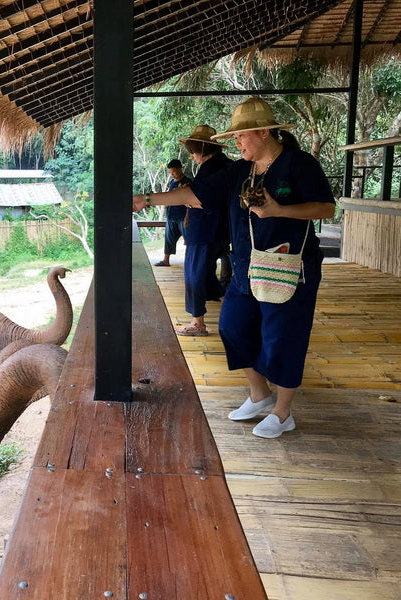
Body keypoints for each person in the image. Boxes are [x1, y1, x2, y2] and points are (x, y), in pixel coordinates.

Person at [132, 98, 335, 438]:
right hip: (245, 266)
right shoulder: (240, 170)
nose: (237, 143)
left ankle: (284, 413)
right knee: (232, 327)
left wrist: (278, 211)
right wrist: (146, 200)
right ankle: (259, 395)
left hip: (289, 267)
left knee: (282, 338)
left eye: (242, 136)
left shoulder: (299, 164)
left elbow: (326, 209)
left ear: (265, 132)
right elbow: (194, 193)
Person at [174, 125, 232, 337]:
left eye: (193, 152)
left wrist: (189, 202)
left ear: (202, 149)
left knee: (193, 273)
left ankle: (197, 322)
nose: (192, 157)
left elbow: (203, 199)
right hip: (218, 230)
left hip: (205, 231)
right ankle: (223, 300)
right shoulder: (225, 165)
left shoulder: (211, 169)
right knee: (205, 271)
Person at [154, 159, 191, 267]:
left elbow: (190, 201)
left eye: (174, 172)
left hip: (183, 216)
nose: (172, 175)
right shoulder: (172, 183)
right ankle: (166, 260)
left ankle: (190, 262)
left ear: (180, 168)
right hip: (171, 216)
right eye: (170, 173)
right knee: (168, 239)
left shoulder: (188, 182)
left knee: (189, 241)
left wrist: (188, 216)